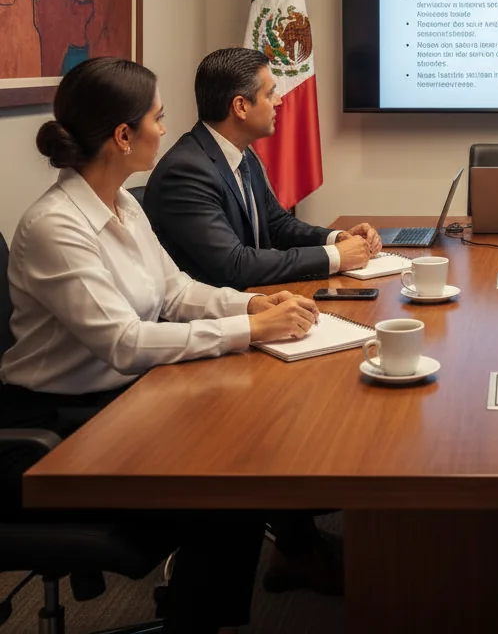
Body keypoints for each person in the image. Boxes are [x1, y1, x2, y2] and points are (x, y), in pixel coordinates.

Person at [0, 57, 323, 633]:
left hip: (127, 396)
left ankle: (202, 615)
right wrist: (250, 330)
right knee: (231, 478)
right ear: (123, 136)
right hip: (61, 424)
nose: (165, 130)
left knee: (250, 447)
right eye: (158, 118)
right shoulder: (56, 226)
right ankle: (195, 620)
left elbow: (174, 291)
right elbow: (123, 343)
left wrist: (251, 305)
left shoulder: (123, 202)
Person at [145, 47, 381, 290]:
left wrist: (337, 238)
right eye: (270, 94)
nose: (279, 101)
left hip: (256, 300)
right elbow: (234, 265)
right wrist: (336, 256)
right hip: (212, 319)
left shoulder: (242, 152)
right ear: (241, 107)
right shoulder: (186, 173)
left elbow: (277, 224)